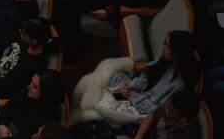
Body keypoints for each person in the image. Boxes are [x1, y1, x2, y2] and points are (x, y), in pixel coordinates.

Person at [71, 29, 201, 126]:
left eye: (167, 46)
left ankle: (81, 110)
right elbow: (145, 77)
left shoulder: (179, 85)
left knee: (98, 106)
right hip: (133, 95)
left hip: (138, 111)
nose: (163, 48)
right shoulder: (164, 62)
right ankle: (81, 102)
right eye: (164, 44)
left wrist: (131, 95)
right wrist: (129, 87)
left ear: (178, 52)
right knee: (107, 73)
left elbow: (155, 109)